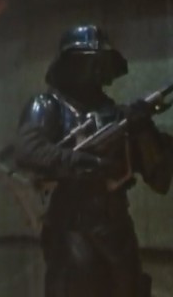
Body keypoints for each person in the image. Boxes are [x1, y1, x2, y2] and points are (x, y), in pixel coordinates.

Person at [10, 24, 173, 297]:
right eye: (85, 62)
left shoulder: (119, 116)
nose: (93, 70)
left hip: (117, 230)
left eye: (99, 62)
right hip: (72, 230)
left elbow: (160, 178)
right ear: (68, 65)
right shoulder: (48, 105)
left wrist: (143, 128)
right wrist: (87, 164)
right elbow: (28, 151)